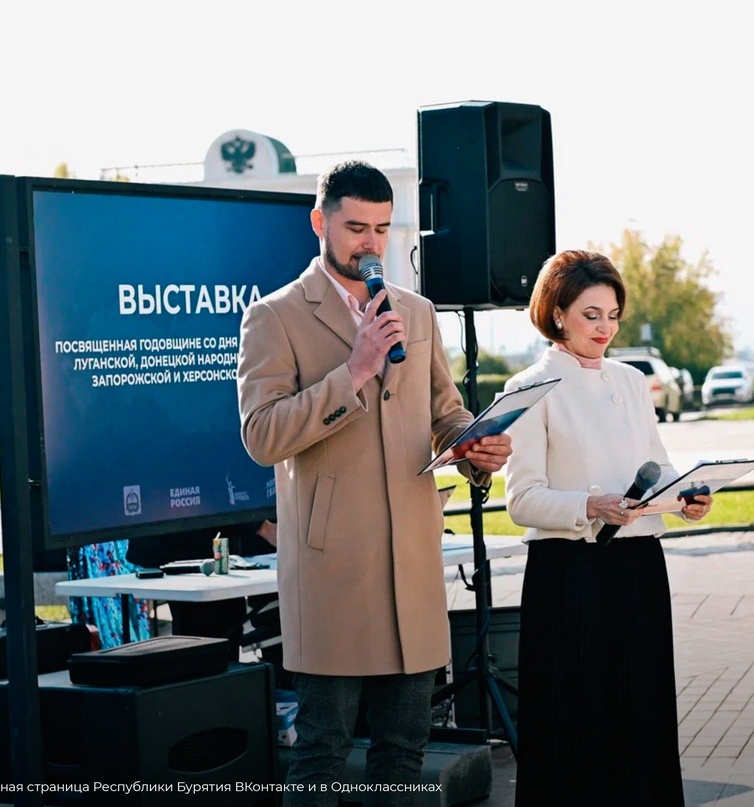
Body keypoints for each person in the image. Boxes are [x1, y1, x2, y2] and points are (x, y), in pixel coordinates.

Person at [236, 159, 511, 807]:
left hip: (413, 566)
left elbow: (445, 413)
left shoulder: (415, 312)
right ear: (319, 222)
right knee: (323, 750)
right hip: (334, 572)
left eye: (382, 229)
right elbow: (261, 436)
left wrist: (476, 446)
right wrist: (353, 371)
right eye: (356, 226)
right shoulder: (273, 317)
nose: (370, 242)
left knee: (404, 748)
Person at [502, 249, 712, 807]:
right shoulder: (528, 387)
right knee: (577, 721)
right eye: (592, 314)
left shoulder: (631, 379)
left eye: (613, 315)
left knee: (641, 712)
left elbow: (659, 464)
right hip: (570, 575)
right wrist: (590, 505)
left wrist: (685, 494)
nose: (606, 328)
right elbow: (521, 500)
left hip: (637, 567)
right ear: (558, 313)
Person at [124, 518, 279, 664]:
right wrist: (263, 527)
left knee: (223, 623)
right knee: (207, 630)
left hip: (192, 543)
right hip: (181, 545)